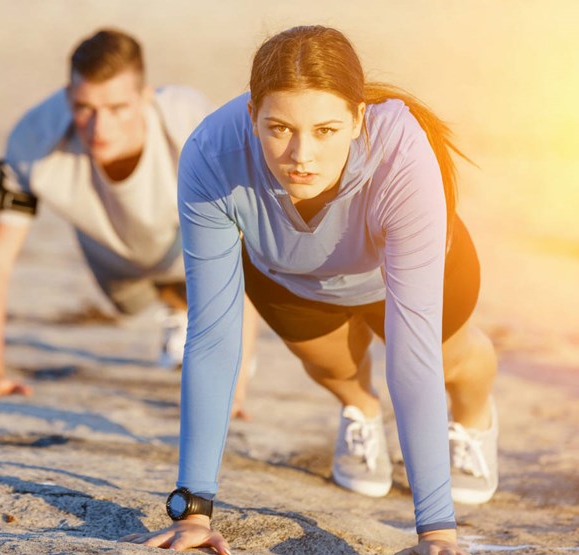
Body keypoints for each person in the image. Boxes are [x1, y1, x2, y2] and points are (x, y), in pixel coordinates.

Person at [121, 25, 498, 555]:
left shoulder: (403, 157)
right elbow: (212, 335)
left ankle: (476, 420)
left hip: (410, 270)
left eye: (325, 130)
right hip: (294, 276)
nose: (301, 155)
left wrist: (436, 532)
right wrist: (194, 510)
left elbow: (411, 352)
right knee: (334, 371)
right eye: (279, 127)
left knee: (447, 357)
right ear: (252, 114)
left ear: (358, 118)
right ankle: (360, 411)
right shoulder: (211, 153)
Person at [0, 28, 258, 418]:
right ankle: (178, 309)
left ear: (146, 98)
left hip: (192, 239)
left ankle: (193, 316)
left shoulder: (193, 125)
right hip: (113, 256)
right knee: (130, 301)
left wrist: (232, 390)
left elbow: (243, 253)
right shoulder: (33, 140)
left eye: (117, 109)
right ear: (68, 97)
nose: (100, 127)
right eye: (84, 108)